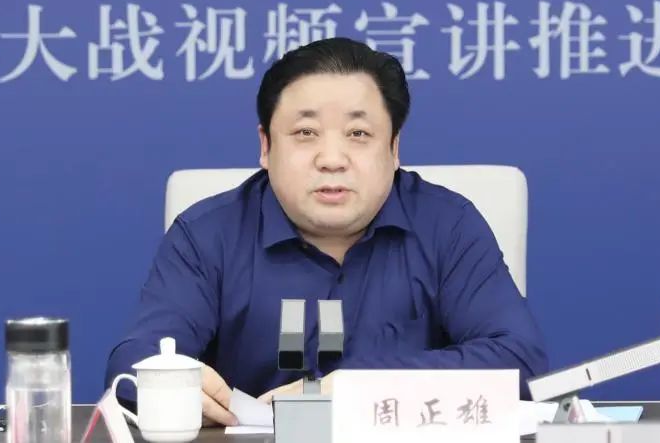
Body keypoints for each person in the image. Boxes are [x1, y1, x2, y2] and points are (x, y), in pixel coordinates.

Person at [105, 37, 548, 426]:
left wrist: (360, 388)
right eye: (305, 132)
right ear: (266, 146)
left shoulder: (448, 225)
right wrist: (167, 382)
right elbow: (132, 364)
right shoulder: (207, 235)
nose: (332, 159)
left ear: (394, 148)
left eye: (358, 133)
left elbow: (520, 362)